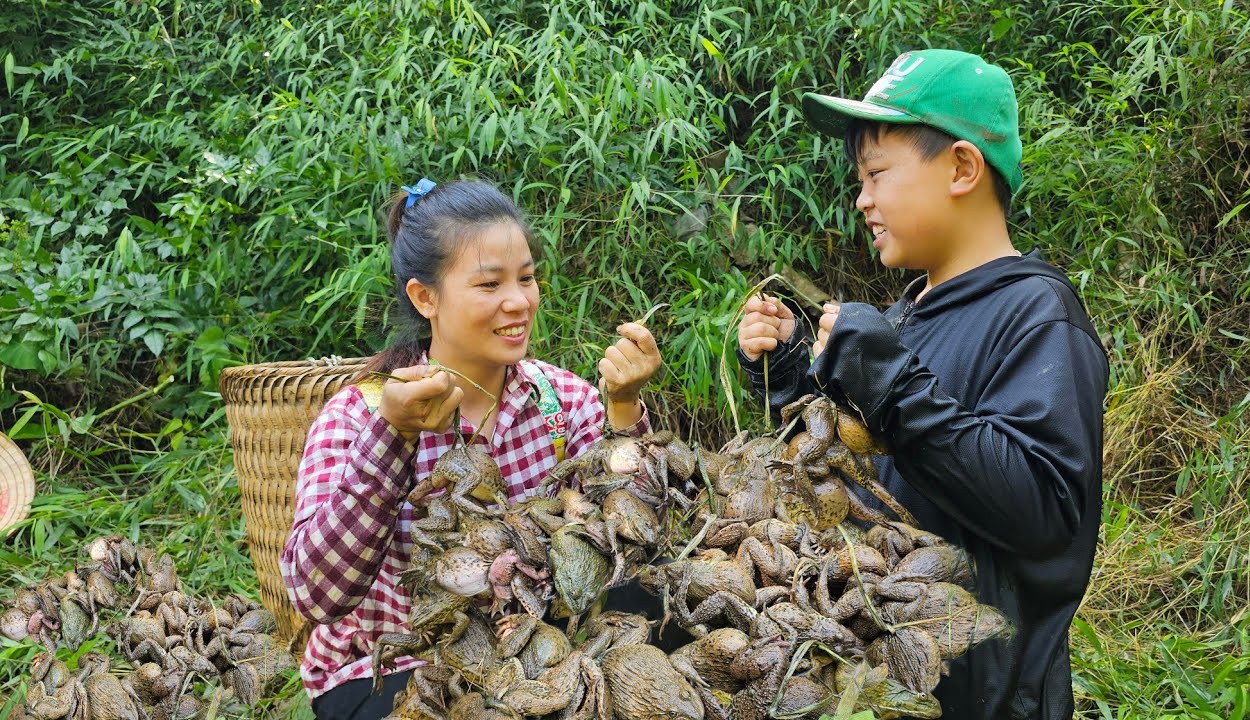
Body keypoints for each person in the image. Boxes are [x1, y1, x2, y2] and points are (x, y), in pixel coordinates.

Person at [737, 49, 1108, 720]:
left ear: (963, 167)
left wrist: (891, 383)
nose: (862, 199)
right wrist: (788, 372)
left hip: (981, 691)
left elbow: (1046, 516)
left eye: (877, 173)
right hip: (881, 681)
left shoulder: (1037, 317)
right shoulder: (900, 317)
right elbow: (851, 468)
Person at [280, 178, 663, 719]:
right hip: (392, 667)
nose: (518, 301)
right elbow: (315, 597)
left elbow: (632, 547)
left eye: (526, 278)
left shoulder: (564, 401)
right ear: (425, 297)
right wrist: (394, 437)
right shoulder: (359, 415)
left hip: (535, 647)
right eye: (489, 284)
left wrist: (623, 410)